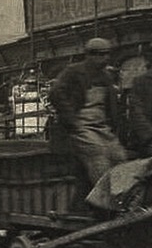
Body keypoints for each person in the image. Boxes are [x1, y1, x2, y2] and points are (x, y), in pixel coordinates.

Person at [49, 37, 128, 189]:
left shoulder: (106, 76)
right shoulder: (73, 72)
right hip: (81, 127)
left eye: (107, 54)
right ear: (90, 55)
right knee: (98, 154)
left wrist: (113, 125)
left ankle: (123, 195)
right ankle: (104, 195)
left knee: (119, 155)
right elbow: (55, 93)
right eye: (100, 55)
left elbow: (110, 105)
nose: (105, 58)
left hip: (101, 126)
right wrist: (73, 120)